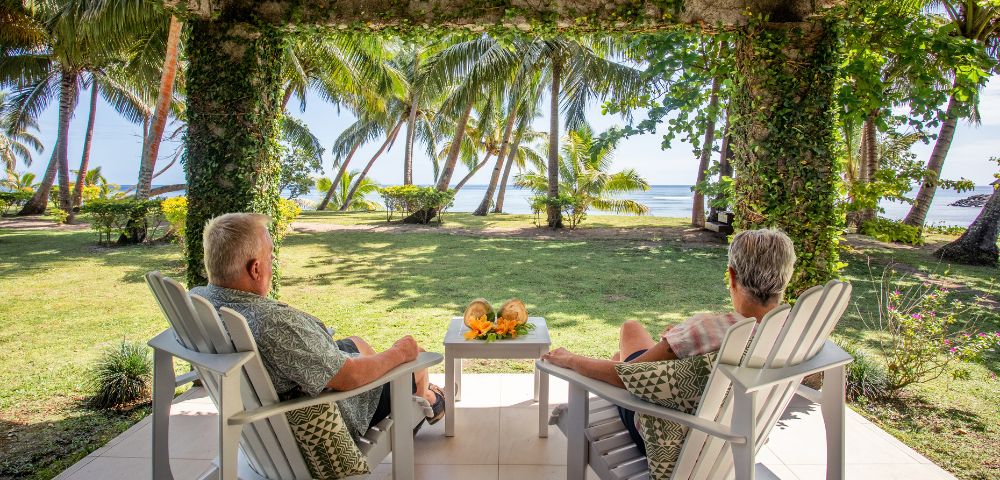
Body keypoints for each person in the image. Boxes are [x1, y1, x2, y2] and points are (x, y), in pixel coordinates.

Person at [190, 213, 445, 445]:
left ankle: (427, 396)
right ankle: (429, 402)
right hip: (332, 408)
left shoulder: (204, 301)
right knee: (417, 359)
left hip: (289, 387)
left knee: (357, 342)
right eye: (270, 255)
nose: (273, 260)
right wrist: (399, 353)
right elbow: (349, 378)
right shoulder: (274, 325)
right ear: (255, 268)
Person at [541, 228, 796, 454]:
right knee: (629, 346)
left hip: (674, 439)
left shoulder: (706, 329)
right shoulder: (791, 331)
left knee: (628, 334)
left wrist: (571, 360)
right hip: (734, 441)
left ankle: (644, 351)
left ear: (731, 276)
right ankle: (654, 350)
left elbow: (624, 377)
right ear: (786, 277)